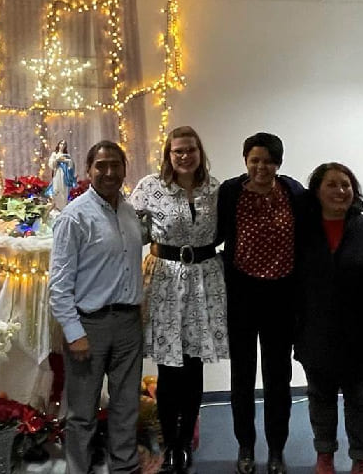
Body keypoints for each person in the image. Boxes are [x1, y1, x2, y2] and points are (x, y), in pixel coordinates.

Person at [130, 126, 228, 473]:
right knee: (170, 368)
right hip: (165, 282)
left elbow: (226, 231)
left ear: (200, 152)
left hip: (204, 281)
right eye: (178, 151)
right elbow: (129, 232)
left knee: (194, 365)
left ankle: (186, 441)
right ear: (168, 155)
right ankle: (170, 443)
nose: (185, 156)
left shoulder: (215, 189)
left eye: (191, 150)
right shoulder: (150, 187)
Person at [49, 140, 144, 474]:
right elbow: (59, 285)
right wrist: (74, 333)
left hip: (129, 324)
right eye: (101, 165)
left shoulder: (129, 212)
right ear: (88, 171)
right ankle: (79, 469)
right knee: (82, 413)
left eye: (115, 164)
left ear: (124, 169)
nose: (109, 172)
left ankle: (124, 467)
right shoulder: (74, 217)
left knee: (126, 406)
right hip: (89, 326)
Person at [217, 132, 305, 474]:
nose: (261, 167)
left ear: (278, 163)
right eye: (254, 160)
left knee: (278, 379)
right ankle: (246, 447)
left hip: (281, 298)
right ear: (245, 161)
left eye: (268, 161)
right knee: (242, 377)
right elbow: (215, 234)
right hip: (242, 296)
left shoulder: (292, 192)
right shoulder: (231, 192)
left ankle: (277, 450)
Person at [293, 163, 363, 474]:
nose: (340, 191)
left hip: (360, 333)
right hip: (315, 331)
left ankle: (361, 458)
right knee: (321, 398)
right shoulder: (303, 230)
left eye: (346, 184)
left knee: (360, 401)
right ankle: (325, 455)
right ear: (316, 191)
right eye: (331, 185)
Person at [46, 139, 77, 210]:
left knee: (64, 190)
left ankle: (63, 206)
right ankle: (57, 206)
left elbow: (71, 165)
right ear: (58, 145)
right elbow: (51, 165)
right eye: (61, 144)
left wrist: (67, 161)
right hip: (58, 173)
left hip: (65, 175)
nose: (62, 145)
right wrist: (57, 160)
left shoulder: (67, 155)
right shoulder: (55, 154)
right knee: (56, 189)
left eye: (64, 144)